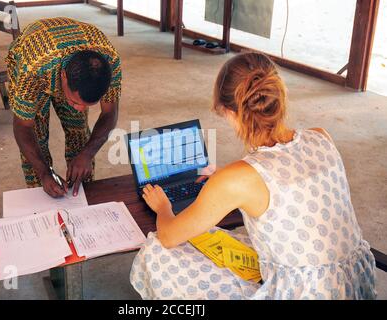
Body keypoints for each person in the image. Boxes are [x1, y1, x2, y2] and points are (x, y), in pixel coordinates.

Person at [130, 52, 377, 300]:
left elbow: (169, 237)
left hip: (301, 293)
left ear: (228, 112)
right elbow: (286, 176)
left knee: (157, 252)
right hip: (354, 284)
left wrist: (163, 207)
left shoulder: (238, 179)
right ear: (280, 96)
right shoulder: (321, 136)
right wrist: (226, 178)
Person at [7, 17, 121, 197]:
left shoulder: (110, 61)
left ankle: (81, 194)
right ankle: (42, 191)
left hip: (62, 58)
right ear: (64, 77)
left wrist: (87, 154)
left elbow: (110, 112)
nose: (80, 109)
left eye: (87, 105)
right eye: (76, 102)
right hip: (35, 58)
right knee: (37, 136)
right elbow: (23, 127)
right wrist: (44, 172)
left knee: (80, 134)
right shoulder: (32, 69)